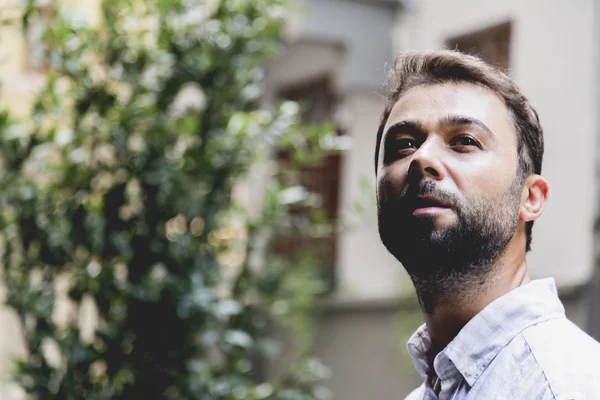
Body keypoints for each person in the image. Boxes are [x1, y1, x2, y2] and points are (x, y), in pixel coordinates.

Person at [375, 50, 600, 399]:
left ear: (531, 198)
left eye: (465, 141)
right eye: (404, 145)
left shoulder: (566, 385)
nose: (422, 158)